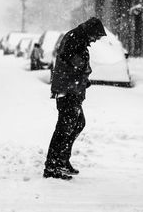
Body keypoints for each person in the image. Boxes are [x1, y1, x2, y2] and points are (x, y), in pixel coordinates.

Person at [43, 17, 106, 180]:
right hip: (67, 90)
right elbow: (74, 62)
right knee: (64, 128)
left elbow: (77, 65)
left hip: (72, 90)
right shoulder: (74, 39)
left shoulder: (79, 39)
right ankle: (52, 166)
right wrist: (83, 72)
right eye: (97, 36)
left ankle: (62, 160)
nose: (96, 39)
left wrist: (83, 78)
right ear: (90, 31)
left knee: (77, 124)